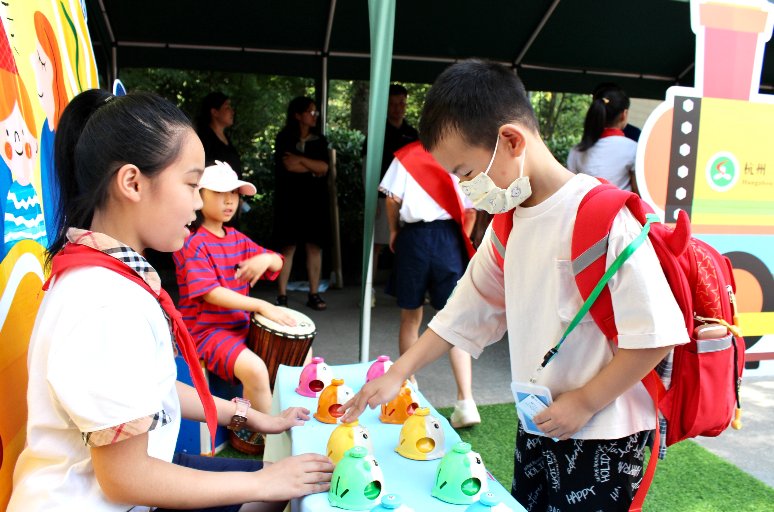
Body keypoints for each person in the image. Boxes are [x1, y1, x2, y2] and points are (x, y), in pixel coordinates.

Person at [342, 60, 688, 511]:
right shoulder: (508, 225)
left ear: (510, 140)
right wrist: (397, 373)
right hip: (539, 423)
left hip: (602, 433)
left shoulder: (605, 218)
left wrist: (584, 401)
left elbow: (656, 338)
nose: (466, 189)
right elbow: (462, 313)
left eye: (466, 172)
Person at [8, 90, 333, 511]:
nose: (199, 205)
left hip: (134, 481)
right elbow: (126, 480)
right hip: (107, 497)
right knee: (275, 492)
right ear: (133, 182)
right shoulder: (107, 304)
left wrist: (249, 416)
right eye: (192, 185)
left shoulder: (112, 277)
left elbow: (153, 388)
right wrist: (265, 482)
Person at [173, 159, 292, 451]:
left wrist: (266, 259)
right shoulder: (193, 243)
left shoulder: (238, 239)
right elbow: (210, 293)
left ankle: (283, 421)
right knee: (254, 369)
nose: (229, 200)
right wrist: (260, 305)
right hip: (207, 332)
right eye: (219, 193)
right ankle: (265, 439)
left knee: (296, 347)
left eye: (235, 194)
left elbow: (277, 261)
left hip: (239, 327)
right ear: (199, 196)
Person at [379, 140, 480, 428]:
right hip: (449, 240)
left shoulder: (407, 155)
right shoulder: (462, 151)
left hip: (414, 239)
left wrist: (396, 231)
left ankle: (411, 389)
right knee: (454, 321)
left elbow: (391, 200)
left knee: (411, 317)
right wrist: (460, 237)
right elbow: (471, 211)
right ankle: (466, 400)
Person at [272, 96, 330, 311]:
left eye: (315, 112)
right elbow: (288, 165)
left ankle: (314, 294)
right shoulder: (284, 137)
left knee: (314, 247)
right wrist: (311, 166)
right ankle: (282, 295)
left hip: (315, 202)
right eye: (310, 112)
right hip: (290, 201)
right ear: (297, 115)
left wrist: (302, 161)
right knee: (288, 247)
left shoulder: (320, 140)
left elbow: (324, 167)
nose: (314, 116)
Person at [362, 84, 419, 290]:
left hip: (408, 200)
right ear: (386, 106)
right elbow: (367, 167)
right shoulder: (377, 133)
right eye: (393, 104)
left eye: (401, 103)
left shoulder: (413, 134)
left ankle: (405, 288)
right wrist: (370, 199)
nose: (397, 108)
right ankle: (368, 290)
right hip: (380, 197)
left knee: (406, 245)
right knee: (376, 245)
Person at [567, 85, 638, 193]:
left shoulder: (577, 151)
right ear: (624, 114)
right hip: (620, 209)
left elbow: (570, 192)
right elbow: (638, 193)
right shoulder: (634, 149)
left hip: (585, 209)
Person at [196, 91, 242, 177]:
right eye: (227, 107)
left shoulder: (227, 138)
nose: (232, 112)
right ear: (214, 112)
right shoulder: (203, 140)